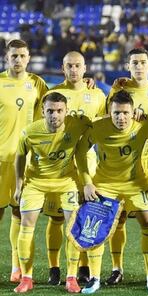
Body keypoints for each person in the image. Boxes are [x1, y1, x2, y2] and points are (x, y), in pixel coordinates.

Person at [75, 90, 148, 294]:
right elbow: (80, 151)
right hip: (105, 184)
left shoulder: (142, 125)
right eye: (116, 113)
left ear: (133, 112)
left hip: (135, 183)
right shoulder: (98, 127)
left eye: (125, 113)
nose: (121, 117)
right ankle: (94, 278)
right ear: (109, 112)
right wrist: (87, 182)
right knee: (95, 228)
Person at [104, 48, 148, 286]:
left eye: (143, 62)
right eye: (134, 62)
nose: (138, 66)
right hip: (123, 163)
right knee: (119, 217)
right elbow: (108, 117)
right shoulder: (119, 89)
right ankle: (117, 268)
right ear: (128, 65)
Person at [13, 92, 91, 293]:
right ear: (42, 112)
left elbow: (100, 125)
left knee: (74, 228)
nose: (54, 115)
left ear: (66, 111)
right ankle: (27, 277)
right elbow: (20, 155)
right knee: (26, 225)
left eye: (59, 111)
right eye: (50, 111)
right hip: (36, 182)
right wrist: (20, 183)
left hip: (66, 181)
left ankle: (71, 277)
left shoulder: (78, 124)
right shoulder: (30, 132)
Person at [39, 51, 106, 285]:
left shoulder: (97, 95)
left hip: (87, 163)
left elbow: (104, 126)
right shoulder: (52, 94)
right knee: (57, 218)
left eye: (78, 65)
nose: (74, 70)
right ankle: (54, 267)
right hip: (59, 165)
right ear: (62, 67)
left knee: (86, 216)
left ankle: (84, 267)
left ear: (85, 67)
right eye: (69, 66)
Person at [0, 39, 48, 283]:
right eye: (14, 56)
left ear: (28, 58)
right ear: (6, 57)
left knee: (20, 212)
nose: (18, 60)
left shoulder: (37, 84)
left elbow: (56, 103)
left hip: (26, 161)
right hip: (0, 160)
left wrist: (89, 81)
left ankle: (16, 267)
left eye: (22, 56)